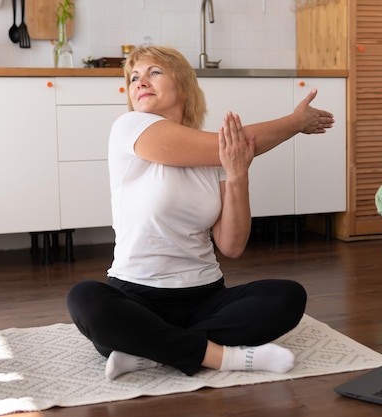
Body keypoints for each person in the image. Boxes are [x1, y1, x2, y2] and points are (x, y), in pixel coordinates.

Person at [66, 45, 335, 379]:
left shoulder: (216, 157)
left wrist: (237, 174)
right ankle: (226, 357)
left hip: (204, 296)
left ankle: (149, 351)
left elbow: (232, 246)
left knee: (287, 296)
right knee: (86, 299)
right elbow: (239, 142)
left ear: (182, 85)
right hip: (136, 293)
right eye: (134, 77)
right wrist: (295, 121)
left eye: (154, 72)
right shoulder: (129, 127)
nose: (140, 82)